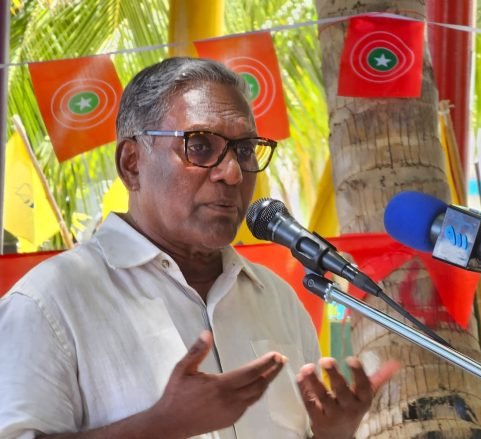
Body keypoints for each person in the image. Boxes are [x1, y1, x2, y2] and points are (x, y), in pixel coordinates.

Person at [0, 57, 398, 439]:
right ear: (132, 164)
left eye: (244, 150)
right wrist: (160, 426)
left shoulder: (278, 298)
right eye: (201, 146)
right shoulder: (49, 302)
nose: (232, 172)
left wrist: (332, 435)